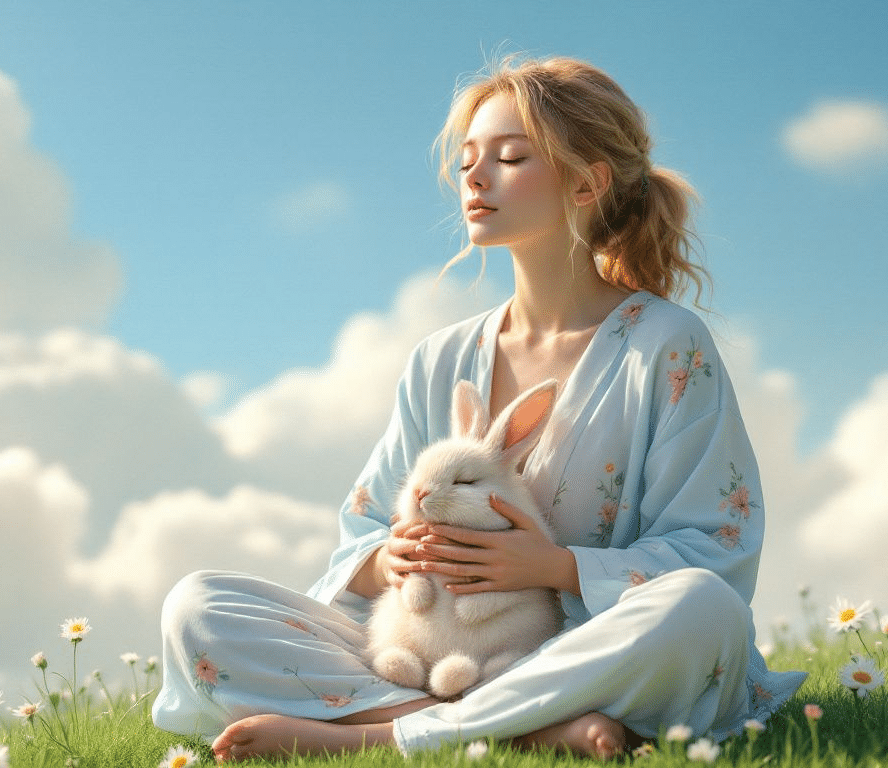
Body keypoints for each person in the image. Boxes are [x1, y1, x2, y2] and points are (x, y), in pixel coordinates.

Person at [151, 55, 807, 762]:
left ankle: (381, 733)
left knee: (701, 612)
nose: (474, 176)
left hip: (584, 651)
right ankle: (517, 726)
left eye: (510, 157)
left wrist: (550, 568)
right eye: (467, 160)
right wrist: (390, 557)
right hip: (435, 652)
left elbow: (711, 549)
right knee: (199, 607)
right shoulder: (441, 359)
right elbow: (362, 534)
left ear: (587, 182)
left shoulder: (667, 346)